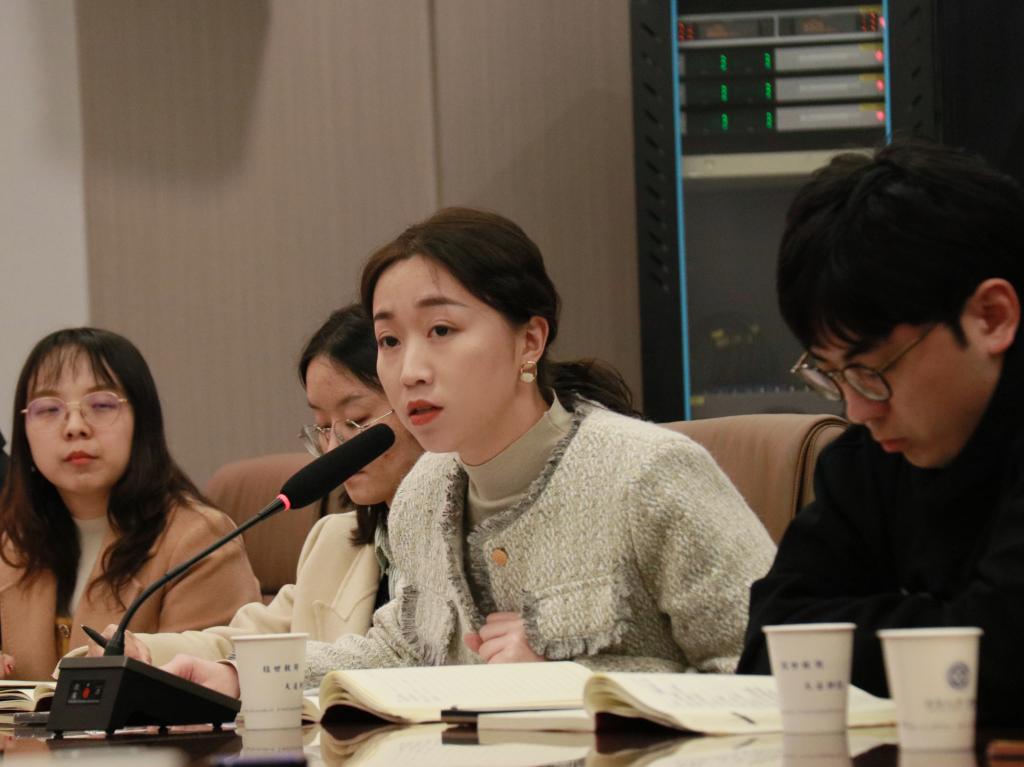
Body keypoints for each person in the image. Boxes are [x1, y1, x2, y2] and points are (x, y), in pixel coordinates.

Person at [163, 207, 775, 696]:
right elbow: (398, 652)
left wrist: (575, 682)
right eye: (389, 340)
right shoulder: (424, 492)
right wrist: (243, 679)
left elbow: (765, 675)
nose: (410, 370)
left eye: (441, 331)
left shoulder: (648, 474)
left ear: (529, 341)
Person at [737, 141, 1024, 724]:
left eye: (872, 370)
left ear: (991, 316)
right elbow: (771, 644)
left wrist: (856, 631)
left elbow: (1007, 663)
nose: (858, 410)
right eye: (832, 374)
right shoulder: (869, 458)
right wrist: (947, 629)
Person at [80, 305, 424, 665]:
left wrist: (238, 673)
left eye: (356, 420)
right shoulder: (333, 541)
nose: (334, 448)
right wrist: (144, 652)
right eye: (323, 427)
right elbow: (248, 643)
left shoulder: (456, 541)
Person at [0, 328, 261, 680]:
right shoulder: (10, 540)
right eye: (48, 409)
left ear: (142, 421)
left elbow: (208, 686)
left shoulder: (200, 541)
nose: (75, 427)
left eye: (101, 405)